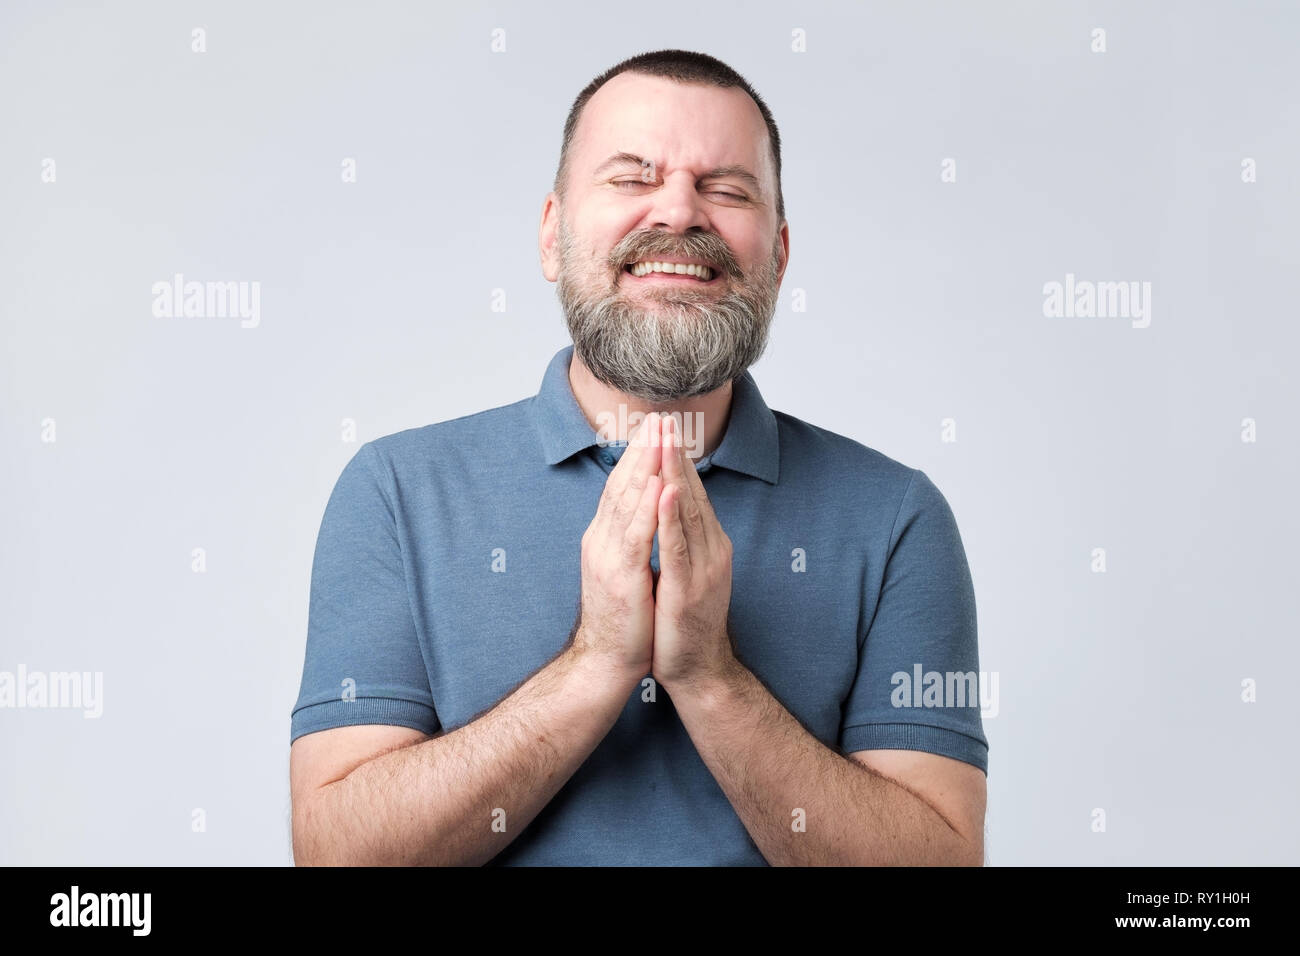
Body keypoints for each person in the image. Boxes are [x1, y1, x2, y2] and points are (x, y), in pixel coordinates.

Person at [289, 49, 988, 866]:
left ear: (780, 256)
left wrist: (710, 678)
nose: (681, 213)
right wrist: (595, 666)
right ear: (552, 236)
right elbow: (337, 855)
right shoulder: (395, 492)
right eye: (632, 178)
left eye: (726, 189)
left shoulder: (897, 517)